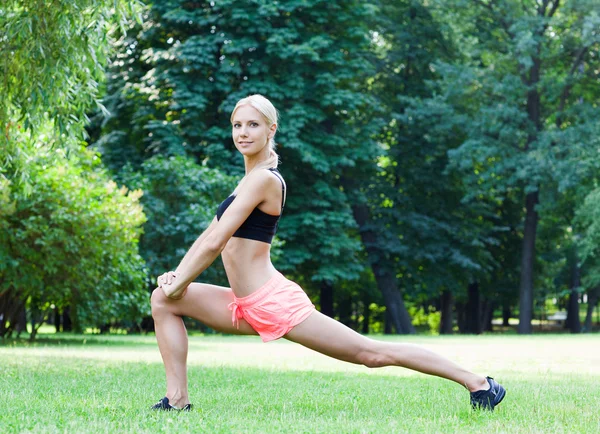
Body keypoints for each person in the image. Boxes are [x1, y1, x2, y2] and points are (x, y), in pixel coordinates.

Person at [151, 94, 506, 412]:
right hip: (243, 306)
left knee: (370, 354)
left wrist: (181, 281)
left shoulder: (265, 179)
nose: (243, 132)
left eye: (253, 125)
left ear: (271, 129)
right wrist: (175, 279)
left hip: (274, 303)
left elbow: (216, 244)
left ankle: (478, 383)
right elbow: (209, 235)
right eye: (237, 125)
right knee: (164, 300)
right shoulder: (247, 179)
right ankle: (177, 400)